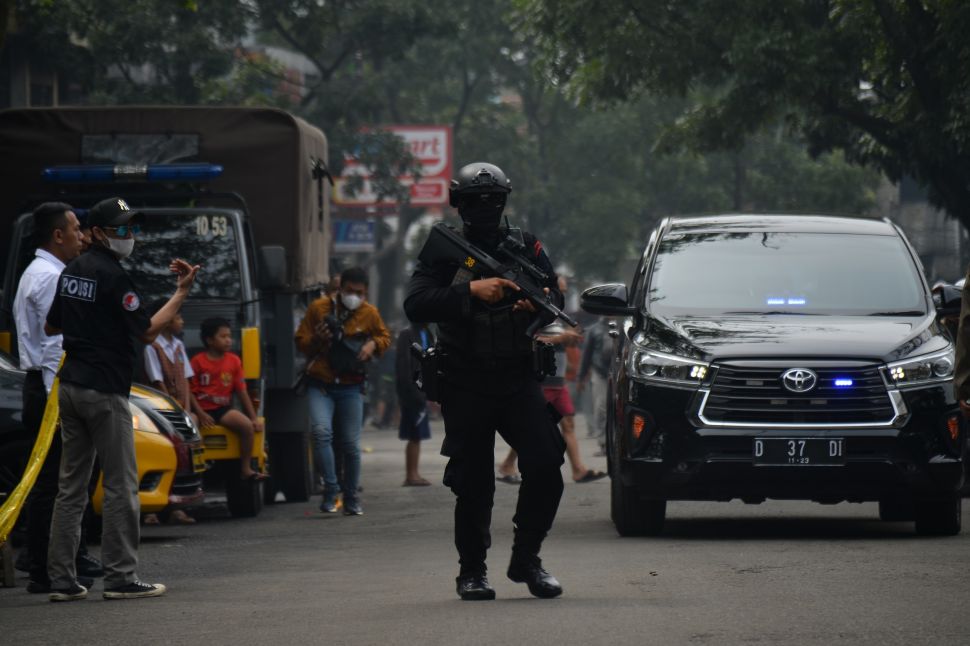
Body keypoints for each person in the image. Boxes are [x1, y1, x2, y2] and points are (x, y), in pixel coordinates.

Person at [404, 161, 567, 601]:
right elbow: (416, 304)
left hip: (517, 377)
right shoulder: (445, 250)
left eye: (494, 200)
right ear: (460, 203)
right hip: (465, 380)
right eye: (476, 201)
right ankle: (472, 571)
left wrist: (532, 306)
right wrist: (471, 291)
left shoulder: (526, 247)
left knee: (548, 465)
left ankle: (527, 559)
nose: (486, 208)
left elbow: (555, 296)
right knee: (474, 483)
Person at [45, 196, 199, 601]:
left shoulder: (72, 270)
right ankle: (120, 577)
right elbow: (147, 331)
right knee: (121, 486)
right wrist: (181, 292)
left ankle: (61, 579)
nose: (129, 236)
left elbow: (51, 324)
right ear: (96, 232)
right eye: (121, 229)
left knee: (71, 488)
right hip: (105, 391)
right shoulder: (114, 276)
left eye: (132, 228)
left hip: (71, 387)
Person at [12, 201, 104, 594]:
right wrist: (62, 398)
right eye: (77, 229)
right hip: (52, 388)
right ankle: (45, 566)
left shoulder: (48, 272)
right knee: (56, 482)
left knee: (70, 478)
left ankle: (68, 555)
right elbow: (55, 345)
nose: (83, 236)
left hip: (49, 386)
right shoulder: (50, 278)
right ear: (57, 235)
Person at [295, 266, 391, 516]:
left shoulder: (370, 313)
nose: (354, 296)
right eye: (349, 291)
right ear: (340, 289)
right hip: (321, 384)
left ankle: (351, 496)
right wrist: (317, 339)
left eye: (359, 292)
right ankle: (331, 487)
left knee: (350, 444)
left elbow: (384, 337)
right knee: (321, 433)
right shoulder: (319, 309)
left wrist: (372, 344)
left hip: (351, 386)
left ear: (365, 292)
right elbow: (300, 341)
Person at [190, 317, 266, 481]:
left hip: (222, 409)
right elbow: (190, 392)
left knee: (246, 426)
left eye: (229, 336)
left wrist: (253, 418)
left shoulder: (234, 361)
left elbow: (242, 391)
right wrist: (201, 414)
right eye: (223, 336)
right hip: (200, 409)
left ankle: (245, 468)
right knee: (190, 426)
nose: (228, 340)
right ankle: (194, 470)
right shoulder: (197, 362)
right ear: (210, 340)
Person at [142, 299, 197, 525]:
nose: (182, 321)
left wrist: (188, 411)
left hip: (180, 410)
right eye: (177, 317)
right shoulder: (151, 347)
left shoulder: (178, 346)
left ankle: (178, 506)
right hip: (162, 411)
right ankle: (151, 510)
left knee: (186, 457)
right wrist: (174, 410)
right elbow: (157, 383)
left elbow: (185, 380)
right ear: (164, 321)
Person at [395, 322, 435, 486]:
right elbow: (404, 366)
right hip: (412, 394)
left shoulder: (427, 333)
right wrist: (412, 392)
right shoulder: (407, 334)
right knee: (414, 434)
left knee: (417, 435)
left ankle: (414, 473)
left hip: (422, 391)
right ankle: (411, 474)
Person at [577, 316, 613, 455]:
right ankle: (604, 443)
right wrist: (581, 377)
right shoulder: (594, 330)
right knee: (601, 407)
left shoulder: (623, 327)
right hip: (600, 374)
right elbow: (586, 355)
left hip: (617, 372)